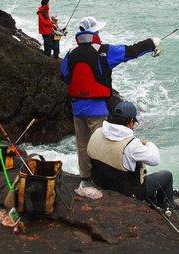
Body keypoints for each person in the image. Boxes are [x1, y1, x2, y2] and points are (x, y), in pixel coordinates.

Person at [60, 16, 162, 188]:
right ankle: (103, 180)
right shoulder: (103, 52)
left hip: (77, 108)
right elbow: (130, 51)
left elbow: (64, 75)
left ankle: (85, 178)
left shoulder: (70, 54)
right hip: (97, 108)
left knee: (83, 145)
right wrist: (152, 42)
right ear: (94, 33)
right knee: (103, 145)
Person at [87, 101, 179, 208]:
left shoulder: (98, 132)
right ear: (131, 121)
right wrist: (148, 143)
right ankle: (165, 203)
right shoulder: (132, 145)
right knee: (167, 175)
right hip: (127, 192)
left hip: (100, 182)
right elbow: (155, 159)